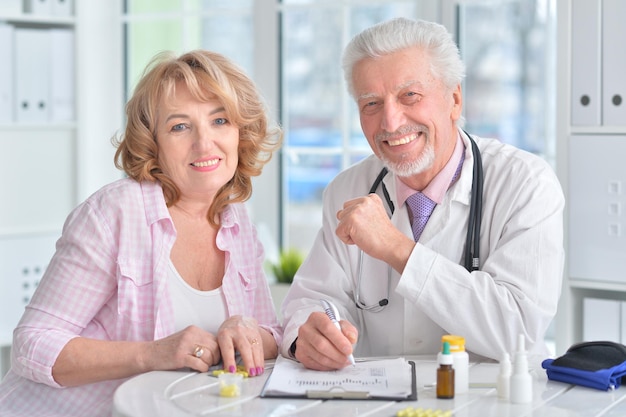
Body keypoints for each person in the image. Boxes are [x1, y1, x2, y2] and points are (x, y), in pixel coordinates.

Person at [0, 49, 283, 416]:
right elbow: (32, 346)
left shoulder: (236, 219)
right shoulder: (115, 212)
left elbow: (270, 333)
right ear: (153, 143)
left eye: (220, 120)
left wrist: (247, 331)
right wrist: (153, 353)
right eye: (179, 126)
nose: (204, 143)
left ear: (241, 131)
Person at [280, 17, 564, 371]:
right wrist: (312, 332)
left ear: (455, 99)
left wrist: (397, 248)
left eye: (409, 96)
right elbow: (313, 298)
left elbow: (516, 330)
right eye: (371, 104)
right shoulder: (348, 189)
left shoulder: (525, 184)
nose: (391, 122)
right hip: (379, 401)